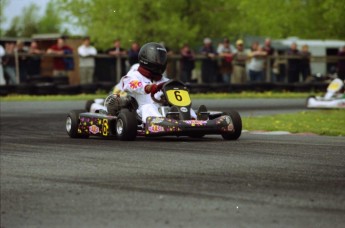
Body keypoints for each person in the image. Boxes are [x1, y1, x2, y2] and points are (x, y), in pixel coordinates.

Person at [114, 42, 196, 123]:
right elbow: (129, 84)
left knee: (183, 107)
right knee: (149, 107)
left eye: (162, 59)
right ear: (146, 58)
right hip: (140, 112)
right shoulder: (134, 76)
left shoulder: (165, 81)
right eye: (157, 59)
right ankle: (160, 123)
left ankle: (193, 120)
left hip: (163, 112)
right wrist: (148, 88)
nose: (160, 62)